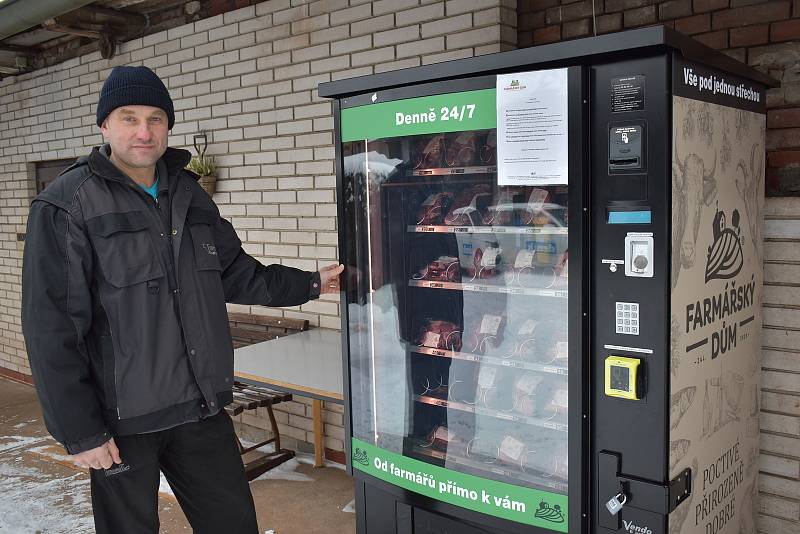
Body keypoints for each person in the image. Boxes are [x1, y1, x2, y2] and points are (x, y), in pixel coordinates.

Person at [20, 65, 344, 534]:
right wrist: (80, 430)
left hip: (200, 408)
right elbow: (51, 328)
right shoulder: (66, 204)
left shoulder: (189, 194)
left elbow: (237, 274)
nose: (144, 131)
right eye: (128, 117)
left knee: (233, 524)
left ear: (168, 126)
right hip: (123, 421)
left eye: (156, 118)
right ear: (104, 126)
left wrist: (312, 284)